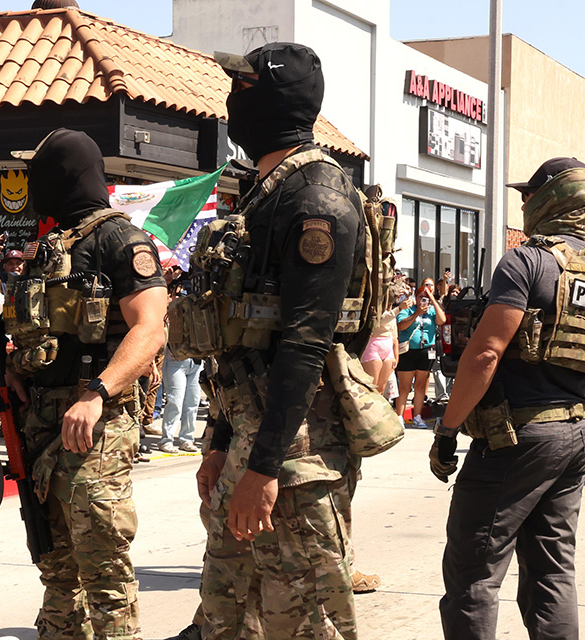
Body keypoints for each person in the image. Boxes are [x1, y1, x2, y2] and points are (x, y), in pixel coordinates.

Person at [189, 42, 366, 639]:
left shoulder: (316, 197)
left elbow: (304, 344)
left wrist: (263, 469)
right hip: (249, 435)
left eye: (242, 90)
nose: (231, 102)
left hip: (292, 456)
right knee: (228, 622)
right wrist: (219, 441)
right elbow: (243, 343)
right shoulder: (268, 192)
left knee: (305, 626)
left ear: (270, 100)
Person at [433, 157, 585, 640]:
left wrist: (448, 428)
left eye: (528, 195)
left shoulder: (526, 260)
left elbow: (485, 354)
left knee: (474, 572)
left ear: (550, 199)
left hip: (517, 437)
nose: (523, 202)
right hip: (576, 432)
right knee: (553, 571)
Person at [1, 127, 166, 640]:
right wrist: (15, 367)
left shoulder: (122, 239)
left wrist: (96, 393)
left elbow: (150, 328)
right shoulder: (52, 245)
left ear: (63, 175)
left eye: (38, 171)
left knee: (102, 566)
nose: (30, 182)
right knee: (55, 562)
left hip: (96, 425)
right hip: (44, 421)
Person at [158, 263, 202, 455]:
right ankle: (167, 439)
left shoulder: (202, 306)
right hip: (176, 357)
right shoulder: (172, 301)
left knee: (192, 402)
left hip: (196, 359)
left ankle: (186, 438)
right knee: (175, 401)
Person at [394, 277, 445, 427]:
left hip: (425, 351)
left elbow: (441, 320)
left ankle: (417, 416)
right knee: (404, 386)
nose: (423, 300)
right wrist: (416, 314)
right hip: (408, 351)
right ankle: (400, 416)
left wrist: (433, 301)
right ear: (415, 297)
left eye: (426, 298)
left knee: (421, 386)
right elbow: (401, 326)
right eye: (421, 297)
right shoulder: (407, 310)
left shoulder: (431, 311)